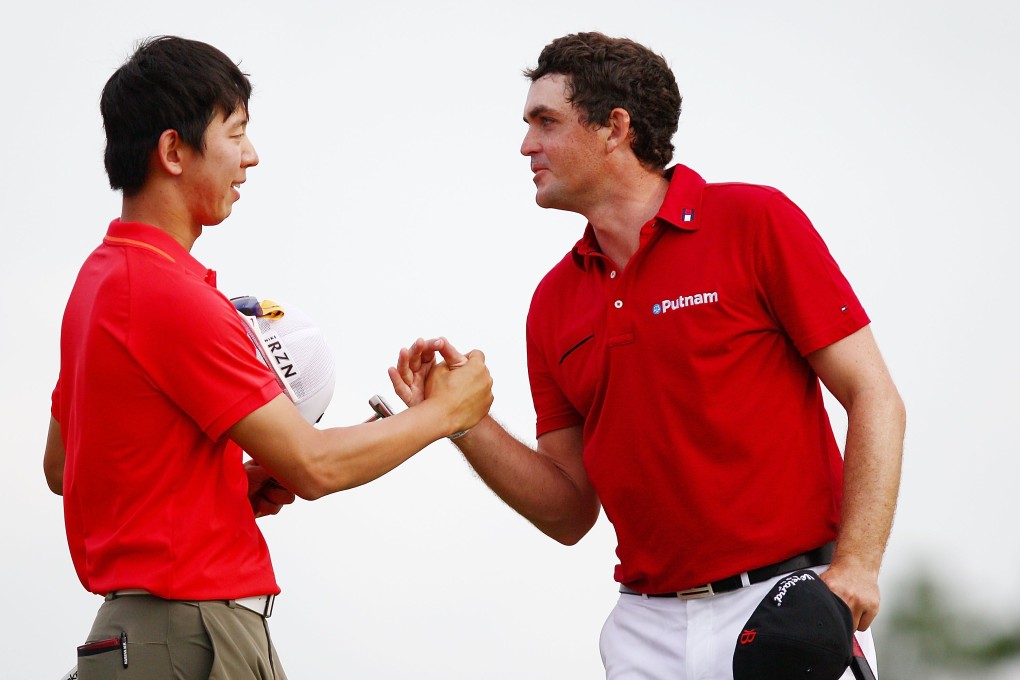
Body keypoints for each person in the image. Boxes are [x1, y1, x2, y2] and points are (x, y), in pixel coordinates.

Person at [391, 32, 905, 680]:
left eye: (544, 122)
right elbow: (570, 509)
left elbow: (874, 395)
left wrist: (857, 565)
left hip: (784, 612)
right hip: (644, 632)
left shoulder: (755, 221)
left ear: (615, 128)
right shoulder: (552, 302)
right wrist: (460, 420)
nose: (526, 146)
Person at [43, 36, 491, 680]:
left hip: (141, 637)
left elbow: (65, 469)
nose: (251, 157)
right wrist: (448, 412)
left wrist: (221, 487)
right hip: (189, 634)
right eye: (236, 132)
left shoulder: (99, 282)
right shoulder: (172, 297)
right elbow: (313, 466)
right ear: (174, 150)